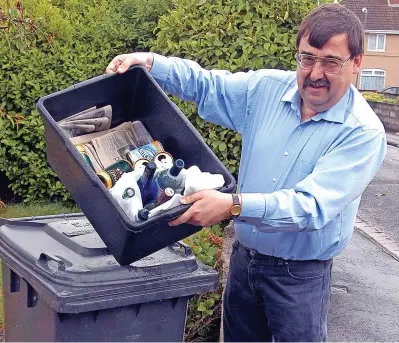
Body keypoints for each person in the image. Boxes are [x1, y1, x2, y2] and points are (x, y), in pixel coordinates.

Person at [106, 4, 386, 342]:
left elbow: (309, 206)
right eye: (307, 58)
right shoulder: (266, 90)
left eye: (330, 62)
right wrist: (149, 62)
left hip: (299, 279)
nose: (315, 73)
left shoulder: (362, 132)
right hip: (245, 262)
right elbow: (206, 85)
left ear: (356, 64)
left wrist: (231, 205)